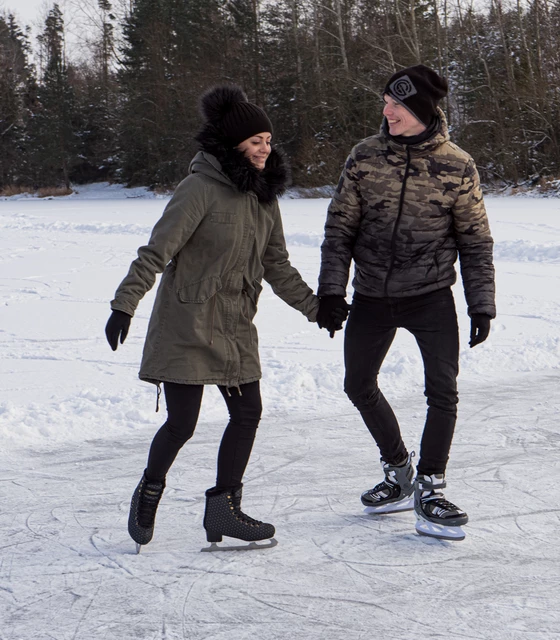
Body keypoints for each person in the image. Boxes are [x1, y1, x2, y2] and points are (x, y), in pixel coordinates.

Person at [105, 85, 330, 551]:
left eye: (268, 139)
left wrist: (316, 308)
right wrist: (124, 304)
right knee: (182, 423)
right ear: (233, 145)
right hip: (186, 322)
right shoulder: (199, 189)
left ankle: (223, 508)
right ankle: (149, 489)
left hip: (235, 324)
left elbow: (277, 265)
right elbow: (156, 251)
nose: (265, 148)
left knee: (248, 412)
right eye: (255, 141)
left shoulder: (265, 199)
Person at [316, 64, 496, 539]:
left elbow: (475, 241)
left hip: (431, 296)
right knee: (358, 383)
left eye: (396, 103)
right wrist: (332, 290)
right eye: (386, 101)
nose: (386, 110)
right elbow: (339, 230)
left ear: (420, 109)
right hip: (371, 294)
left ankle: (432, 488)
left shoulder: (458, 165)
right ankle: (399, 471)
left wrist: (482, 304)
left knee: (443, 391)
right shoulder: (364, 157)